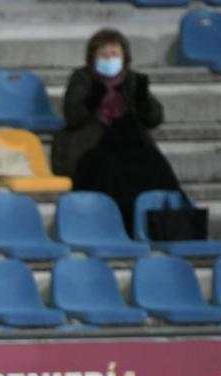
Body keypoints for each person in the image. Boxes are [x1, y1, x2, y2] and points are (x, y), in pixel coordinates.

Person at [52, 28, 179, 234]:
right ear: (92, 58)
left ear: (124, 57)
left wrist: (143, 100)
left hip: (130, 142)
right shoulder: (82, 78)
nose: (109, 59)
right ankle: (116, 228)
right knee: (109, 170)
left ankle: (164, 225)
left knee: (156, 166)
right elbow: (73, 117)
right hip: (93, 144)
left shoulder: (132, 80)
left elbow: (154, 118)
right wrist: (95, 96)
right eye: (103, 54)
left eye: (114, 54)